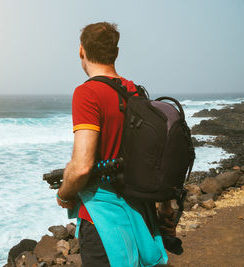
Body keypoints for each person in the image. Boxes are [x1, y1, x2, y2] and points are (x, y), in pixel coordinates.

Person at [56, 22, 169, 267]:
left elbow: (83, 166)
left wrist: (64, 194)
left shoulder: (87, 93)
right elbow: (157, 156)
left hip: (102, 222)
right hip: (141, 213)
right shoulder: (135, 92)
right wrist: (166, 206)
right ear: (116, 53)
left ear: (81, 51)